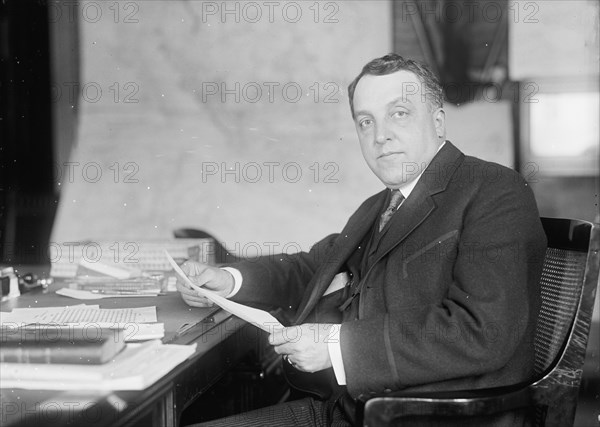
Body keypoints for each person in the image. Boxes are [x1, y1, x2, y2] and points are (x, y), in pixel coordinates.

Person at [177, 54, 547, 426]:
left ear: (438, 123)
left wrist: (337, 348)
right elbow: (312, 268)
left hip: (429, 416)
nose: (379, 135)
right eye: (365, 122)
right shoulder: (379, 206)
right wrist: (231, 279)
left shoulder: (493, 190)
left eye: (399, 113)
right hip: (354, 409)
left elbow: (482, 331)